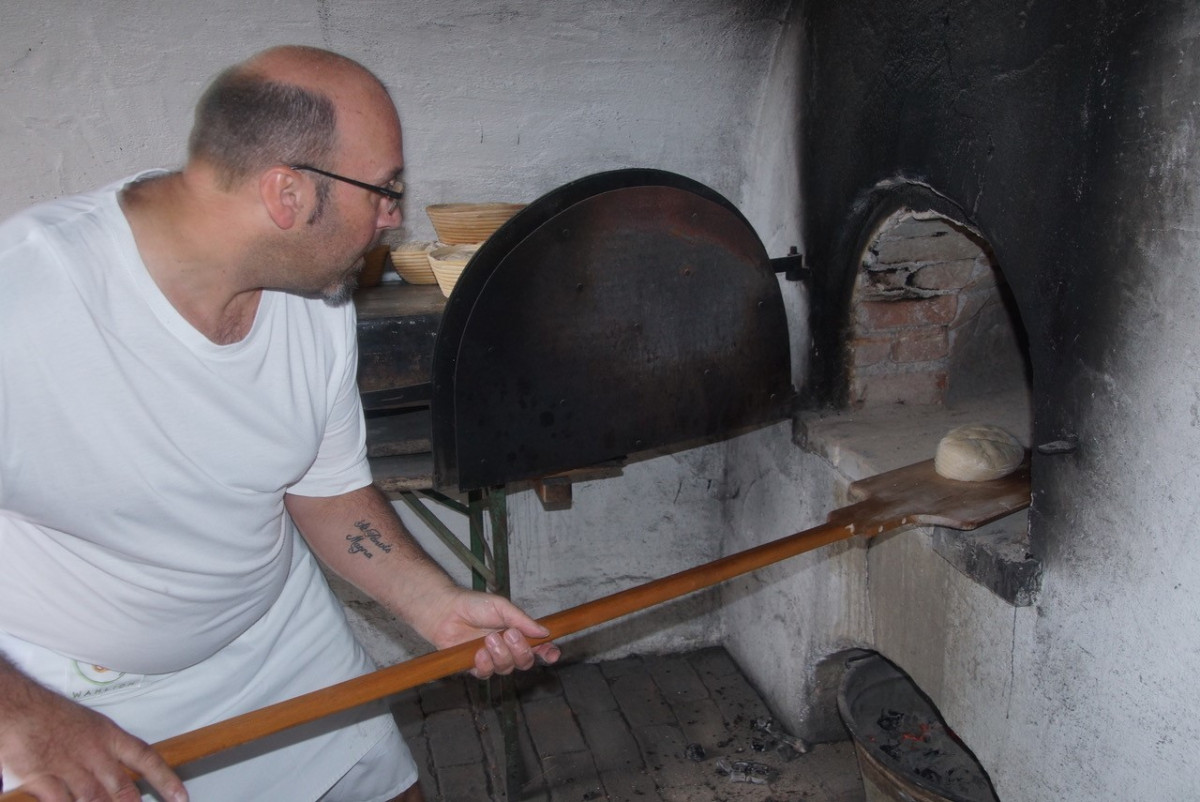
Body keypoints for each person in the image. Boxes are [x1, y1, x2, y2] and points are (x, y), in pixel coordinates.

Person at [0, 45, 559, 802]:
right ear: (286, 195)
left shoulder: (313, 299)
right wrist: (25, 717)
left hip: (278, 641)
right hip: (79, 692)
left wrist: (434, 603)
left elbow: (325, 490)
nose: (392, 218)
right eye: (385, 189)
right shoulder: (25, 300)